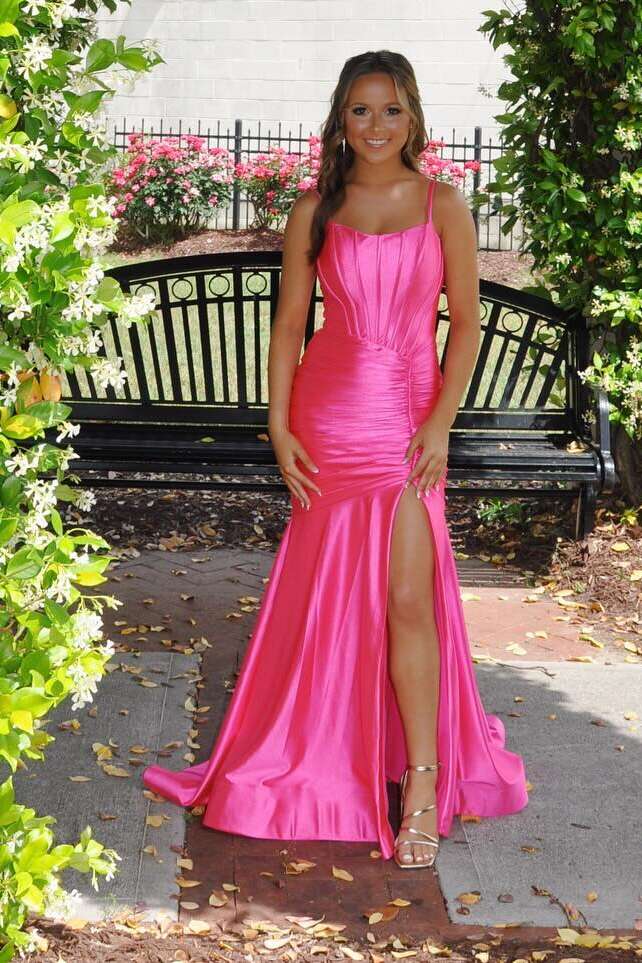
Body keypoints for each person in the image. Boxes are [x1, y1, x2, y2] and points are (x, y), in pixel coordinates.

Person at [143, 49, 529, 871]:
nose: (376, 125)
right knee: (332, 596)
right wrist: (279, 425)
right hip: (329, 417)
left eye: (390, 110)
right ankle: (328, 753)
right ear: (340, 119)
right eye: (361, 110)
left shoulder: (444, 204)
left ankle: (420, 780)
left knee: (408, 600)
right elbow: (290, 324)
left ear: (413, 116)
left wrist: (441, 424)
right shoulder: (315, 207)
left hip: (408, 422)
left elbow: (466, 324)